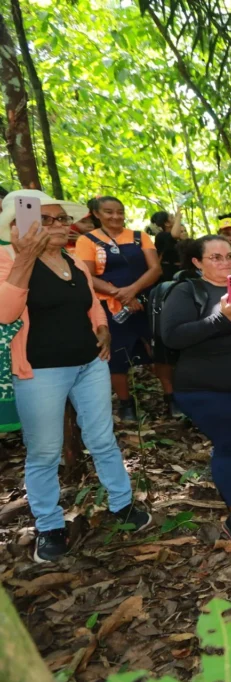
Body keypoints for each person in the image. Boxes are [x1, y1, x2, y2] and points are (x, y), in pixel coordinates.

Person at [0, 189, 152, 563]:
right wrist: (24, 258)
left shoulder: (74, 261)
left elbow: (92, 305)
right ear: (19, 224)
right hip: (40, 371)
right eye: (46, 219)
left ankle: (122, 505)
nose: (57, 226)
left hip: (89, 364)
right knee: (45, 452)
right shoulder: (6, 259)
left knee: (102, 437)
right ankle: (49, 526)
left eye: (61, 219)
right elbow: (5, 313)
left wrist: (102, 329)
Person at [161, 235, 231, 546]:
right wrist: (220, 318)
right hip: (207, 388)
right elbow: (172, 336)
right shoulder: (187, 291)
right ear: (197, 262)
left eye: (229, 256)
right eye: (215, 257)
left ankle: (230, 479)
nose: (225, 262)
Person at [75, 196, 172, 422]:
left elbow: (155, 269)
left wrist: (133, 291)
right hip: (109, 304)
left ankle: (171, 397)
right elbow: (88, 274)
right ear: (96, 214)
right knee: (117, 354)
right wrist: (121, 295)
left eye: (119, 211)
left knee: (159, 349)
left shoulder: (140, 237)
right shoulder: (87, 240)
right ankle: (126, 404)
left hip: (146, 300)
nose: (115, 216)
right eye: (109, 212)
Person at [153, 211, 187, 282]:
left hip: (181, 270)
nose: (174, 218)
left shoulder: (180, 237)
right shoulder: (161, 236)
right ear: (167, 223)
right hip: (168, 273)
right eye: (172, 217)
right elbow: (174, 235)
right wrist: (178, 217)